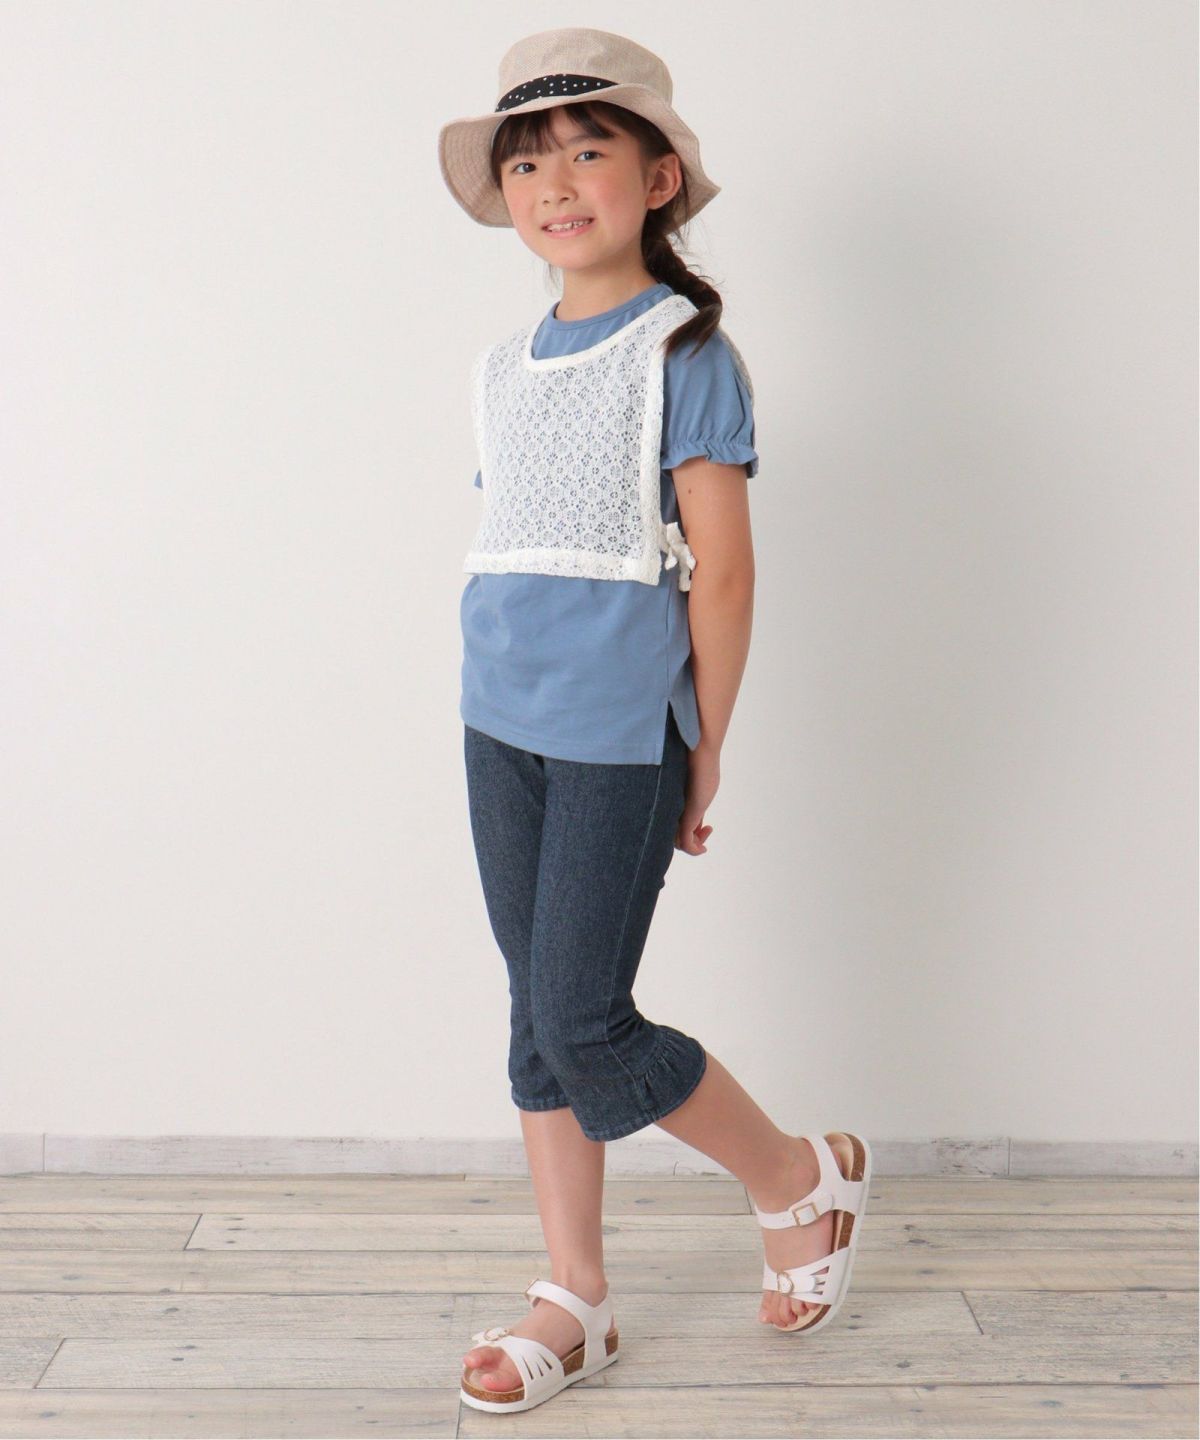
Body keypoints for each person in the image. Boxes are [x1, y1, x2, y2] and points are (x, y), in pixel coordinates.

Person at [438, 27, 873, 1416]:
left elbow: (723, 572)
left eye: (588, 151)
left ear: (659, 177)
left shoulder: (686, 351)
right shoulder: (506, 364)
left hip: (622, 731)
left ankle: (798, 1178)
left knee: (585, 1015)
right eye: (527, 163)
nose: (556, 184)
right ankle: (576, 1294)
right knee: (536, 1018)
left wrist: (708, 741)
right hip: (497, 721)